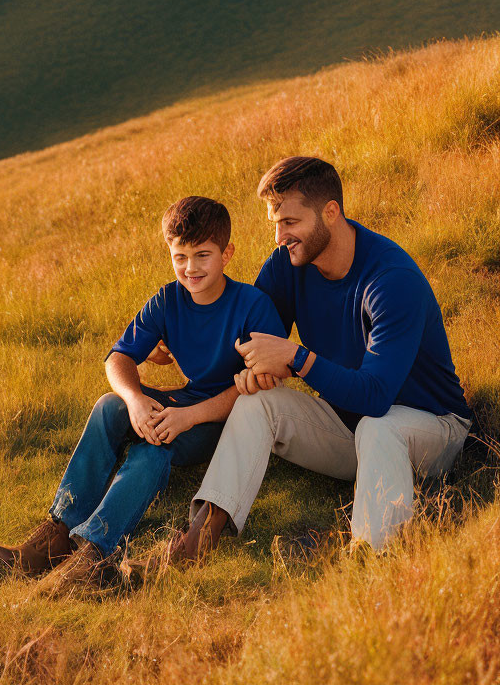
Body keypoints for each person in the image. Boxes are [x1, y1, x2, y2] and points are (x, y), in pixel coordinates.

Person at [167, 157, 471, 558]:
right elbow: (245, 337)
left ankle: (373, 555)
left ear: (331, 212)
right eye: (275, 223)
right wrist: (179, 340)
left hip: (429, 428)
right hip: (347, 428)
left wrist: (295, 356)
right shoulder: (289, 265)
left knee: (379, 428)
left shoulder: (391, 281)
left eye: (290, 222)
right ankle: (201, 536)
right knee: (258, 403)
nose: (279, 236)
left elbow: (377, 397)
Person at [0, 195, 285, 592]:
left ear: (227, 254)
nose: (190, 268)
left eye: (202, 255)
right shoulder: (167, 300)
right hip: (184, 401)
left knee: (153, 447)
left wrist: (187, 417)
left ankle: (92, 552)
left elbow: (260, 387)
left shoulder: (252, 305)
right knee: (110, 405)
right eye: (180, 257)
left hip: (223, 421)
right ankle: (54, 537)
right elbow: (118, 358)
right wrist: (136, 400)